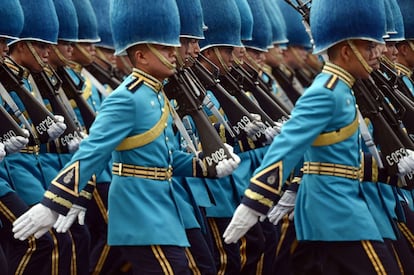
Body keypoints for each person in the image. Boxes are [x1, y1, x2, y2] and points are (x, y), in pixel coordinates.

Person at [12, 0, 240, 274]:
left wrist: (204, 165)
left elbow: (164, 157)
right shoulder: (126, 98)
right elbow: (92, 151)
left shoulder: (155, 94)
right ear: (141, 56)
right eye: (166, 48)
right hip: (140, 212)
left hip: (162, 211)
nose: (174, 54)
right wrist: (53, 202)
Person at [223, 0, 414, 273]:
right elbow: (288, 144)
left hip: (338, 209)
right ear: (347, 51)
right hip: (336, 213)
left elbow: (343, 160)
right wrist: (254, 202)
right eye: (370, 46)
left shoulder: (343, 90)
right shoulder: (326, 92)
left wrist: (394, 167)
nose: (380, 51)